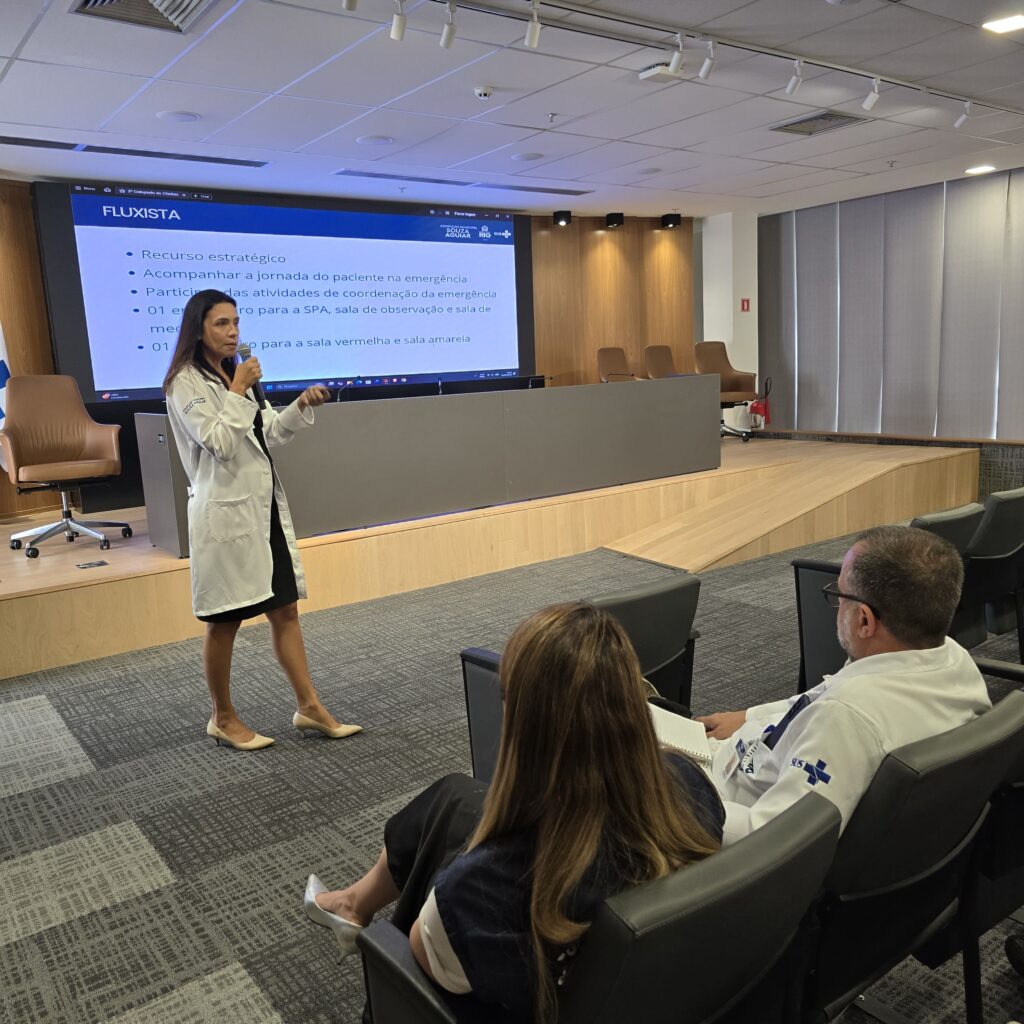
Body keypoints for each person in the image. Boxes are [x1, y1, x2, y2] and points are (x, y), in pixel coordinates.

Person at [303, 602, 724, 1023]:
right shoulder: (694, 789)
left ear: (522, 724)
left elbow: (421, 956)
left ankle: (353, 909)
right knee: (454, 796)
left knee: (439, 863)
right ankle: (352, 903)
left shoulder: (477, 892)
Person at [697, 525, 991, 845]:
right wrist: (749, 717)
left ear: (864, 620)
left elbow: (775, 841)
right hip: (751, 752)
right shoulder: (951, 658)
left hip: (726, 800)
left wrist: (673, 808)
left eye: (839, 595)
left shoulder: (846, 718)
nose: (837, 607)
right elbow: (821, 695)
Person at [164, 289, 360, 751]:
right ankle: (222, 717)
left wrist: (300, 405)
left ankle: (309, 706)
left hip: (261, 507)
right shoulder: (184, 382)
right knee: (224, 622)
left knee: (286, 609)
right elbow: (219, 443)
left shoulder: (237, 373)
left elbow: (265, 432)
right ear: (198, 329)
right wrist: (237, 389)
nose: (233, 332)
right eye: (221, 324)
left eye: (236, 322)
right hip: (223, 516)